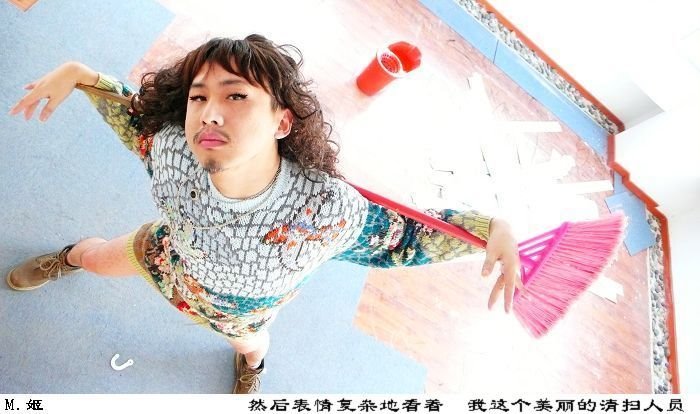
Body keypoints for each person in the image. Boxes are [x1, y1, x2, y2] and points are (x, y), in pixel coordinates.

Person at [7, 34, 522, 394]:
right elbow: (134, 118)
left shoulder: (326, 209)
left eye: (236, 96)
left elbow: (403, 240)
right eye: (198, 97)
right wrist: (81, 76)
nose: (210, 113)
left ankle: (252, 365)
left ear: (282, 122)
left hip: (241, 309)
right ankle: (68, 258)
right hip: (169, 256)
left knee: (250, 347)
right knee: (95, 259)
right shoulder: (170, 148)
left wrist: (489, 229)